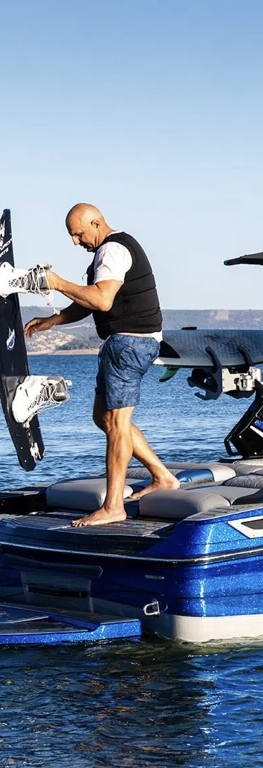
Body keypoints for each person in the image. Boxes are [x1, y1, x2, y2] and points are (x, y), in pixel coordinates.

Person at [24, 203, 179, 526]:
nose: (75, 241)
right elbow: (90, 301)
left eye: (78, 233)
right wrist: (54, 320)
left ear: (96, 223)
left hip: (129, 343)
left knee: (116, 424)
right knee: (104, 419)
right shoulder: (110, 252)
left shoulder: (112, 250)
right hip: (130, 342)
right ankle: (162, 476)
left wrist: (56, 282)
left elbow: (101, 300)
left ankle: (113, 506)